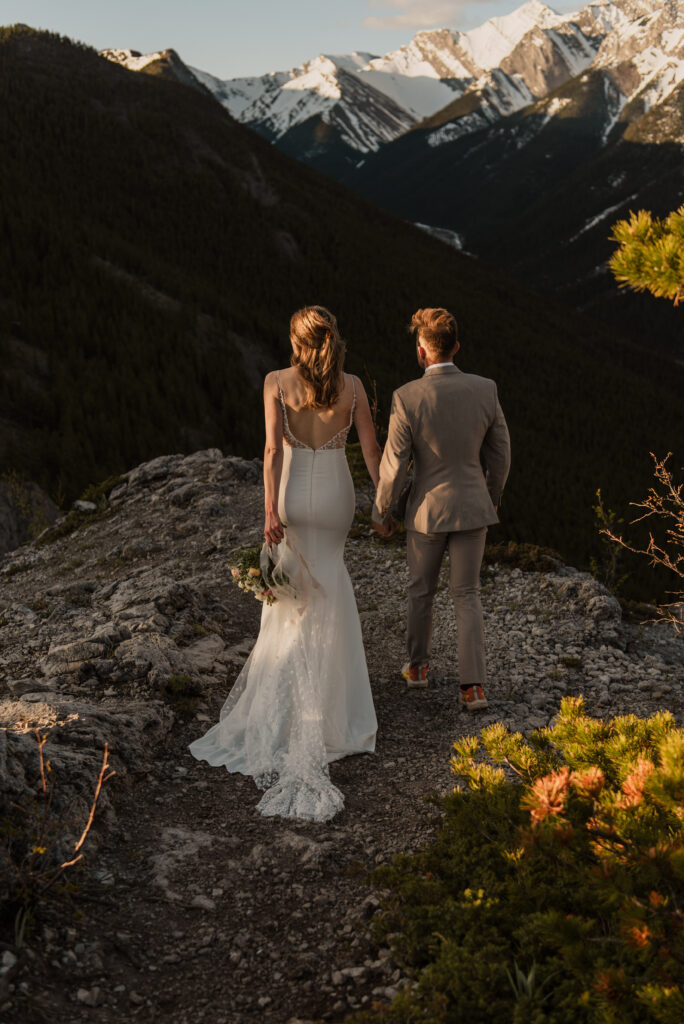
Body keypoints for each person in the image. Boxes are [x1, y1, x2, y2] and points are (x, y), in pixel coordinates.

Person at [189, 306, 379, 820]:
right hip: (337, 496)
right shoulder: (354, 387)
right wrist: (383, 504)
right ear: (332, 339)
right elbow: (370, 448)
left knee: (291, 598)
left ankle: (287, 710)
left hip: (293, 494)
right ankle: (336, 717)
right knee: (331, 586)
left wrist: (270, 509)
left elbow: (272, 450)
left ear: (296, 342)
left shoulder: (276, 381)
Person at [372, 307, 510, 711]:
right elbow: (500, 454)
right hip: (472, 507)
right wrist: (493, 494)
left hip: (426, 512)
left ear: (421, 352)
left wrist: (383, 511)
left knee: (421, 591)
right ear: (456, 346)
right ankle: (474, 689)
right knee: (467, 594)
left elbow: (395, 464)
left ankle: (417, 669)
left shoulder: (407, 397)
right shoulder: (486, 389)